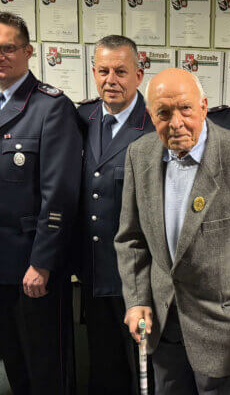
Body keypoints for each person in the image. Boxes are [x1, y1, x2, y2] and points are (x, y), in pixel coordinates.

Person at [115, 68, 230, 395]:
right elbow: (130, 239)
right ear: (150, 115)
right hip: (162, 326)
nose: (176, 123)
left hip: (223, 333)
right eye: (164, 113)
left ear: (204, 106)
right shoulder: (139, 154)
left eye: (185, 109)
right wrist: (136, 300)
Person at [0, 12, 81, 394]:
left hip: (34, 258)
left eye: (8, 48)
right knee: (14, 354)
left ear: (29, 51)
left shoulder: (51, 106)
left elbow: (59, 193)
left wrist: (42, 262)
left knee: (46, 358)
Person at [75, 34, 155, 395]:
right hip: (93, 268)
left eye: (121, 72)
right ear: (94, 73)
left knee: (143, 368)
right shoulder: (81, 118)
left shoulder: (155, 125)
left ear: (139, 75)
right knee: (102, 362)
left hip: (139, 275)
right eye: (103, 71)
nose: (111, 80)